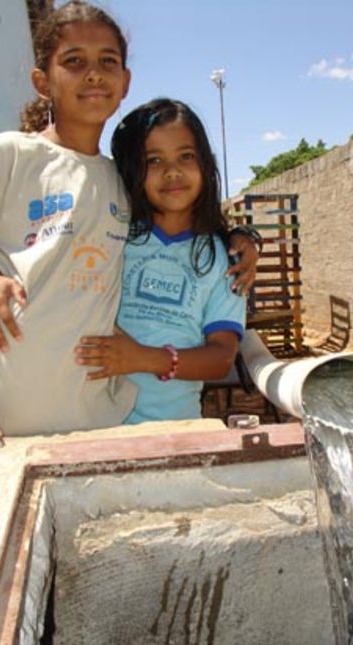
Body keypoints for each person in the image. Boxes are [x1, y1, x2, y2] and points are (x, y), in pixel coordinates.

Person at [0, 2, 258, 446]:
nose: (93, 74)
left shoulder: (121, 186)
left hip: (91, 427)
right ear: (42, 82)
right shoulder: (9, 156)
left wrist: (242, 237)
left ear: (125, 83)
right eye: (74, 61)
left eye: (108, 61)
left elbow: (180, 220)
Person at [75, 99, 246, 422]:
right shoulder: (112, 234)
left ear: (206, 164)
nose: (172, 171)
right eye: (153, 160)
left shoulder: (222, 258)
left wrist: (144, 359)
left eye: (186, 156)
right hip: (92, 426)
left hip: (173, 429)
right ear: (132, 169)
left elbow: (221, 357)